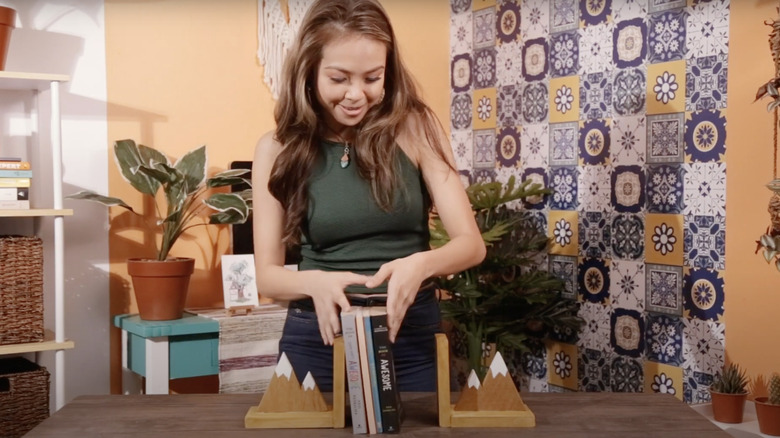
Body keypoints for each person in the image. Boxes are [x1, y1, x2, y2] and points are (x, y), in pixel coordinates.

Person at [252, 0, 485, 392]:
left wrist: (421, 264)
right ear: (309, 71)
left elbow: (471, 245)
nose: (356, 94)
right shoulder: (277, 148)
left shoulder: (415, 127)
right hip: (318, 335)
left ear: (388, 73)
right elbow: (267, 277)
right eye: (339, 79)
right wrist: (315, 283)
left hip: (409, 332)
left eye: (372, 78)